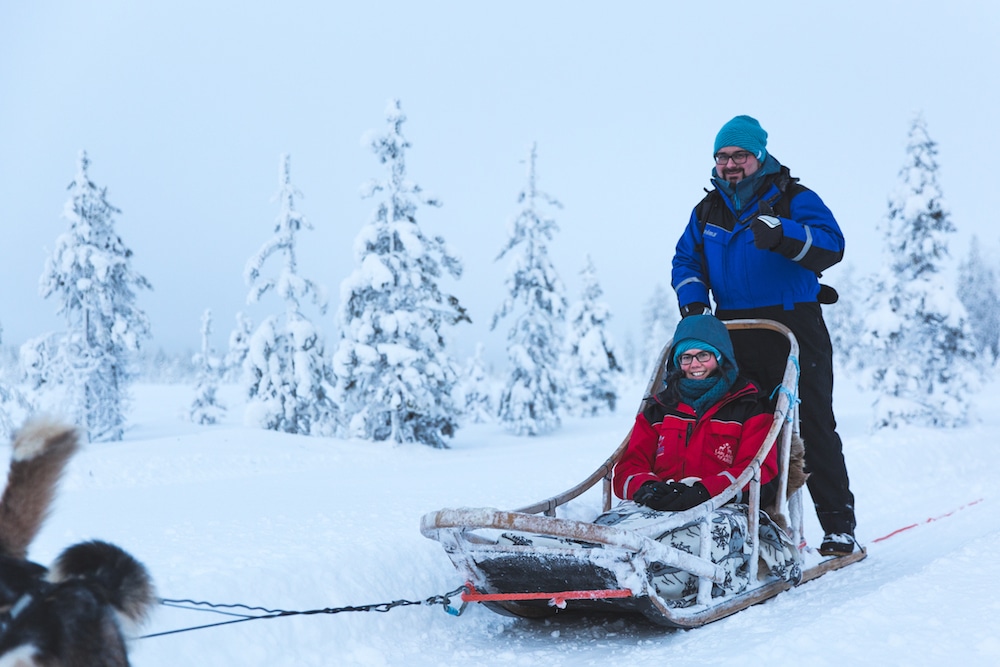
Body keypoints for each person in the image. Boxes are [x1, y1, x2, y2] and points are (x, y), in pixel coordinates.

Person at [671, 114, 857, 556]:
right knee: (739, 422)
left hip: (793, 325)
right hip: (733, 328)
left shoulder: (794, 197)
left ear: (759, 156)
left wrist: (785, 236)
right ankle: (752, 520)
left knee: (810, 423)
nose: (730, 164)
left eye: (739, 155)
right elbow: (685, 262)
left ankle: (837, 526)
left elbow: (832, 245)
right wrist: (695, 305)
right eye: (722, 157)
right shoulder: (707, 211)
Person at [613, 313, 779, 512]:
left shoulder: (749, 407)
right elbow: (628, 468)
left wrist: (704, 492)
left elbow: (759, 471)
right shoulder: (659, 411)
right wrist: (648, 487)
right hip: (659, 508)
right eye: (686, 357)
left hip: (722, 509)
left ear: (720, 356)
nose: (694, 364)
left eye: (703, 355)